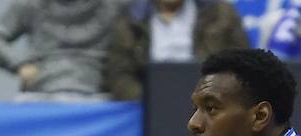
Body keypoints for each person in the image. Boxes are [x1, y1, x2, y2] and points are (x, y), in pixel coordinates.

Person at [106, 0, 249, 102]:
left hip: (210, 102)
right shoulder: (131, 18)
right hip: (151, 105)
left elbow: (242, 66)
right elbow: (119, 74)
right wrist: (149, 99)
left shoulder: (221, 14)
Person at [0, 0, 120, 99]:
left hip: (98, 93)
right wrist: (19, 65)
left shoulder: (116, 5)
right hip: (42, 92)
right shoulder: (32, 4)